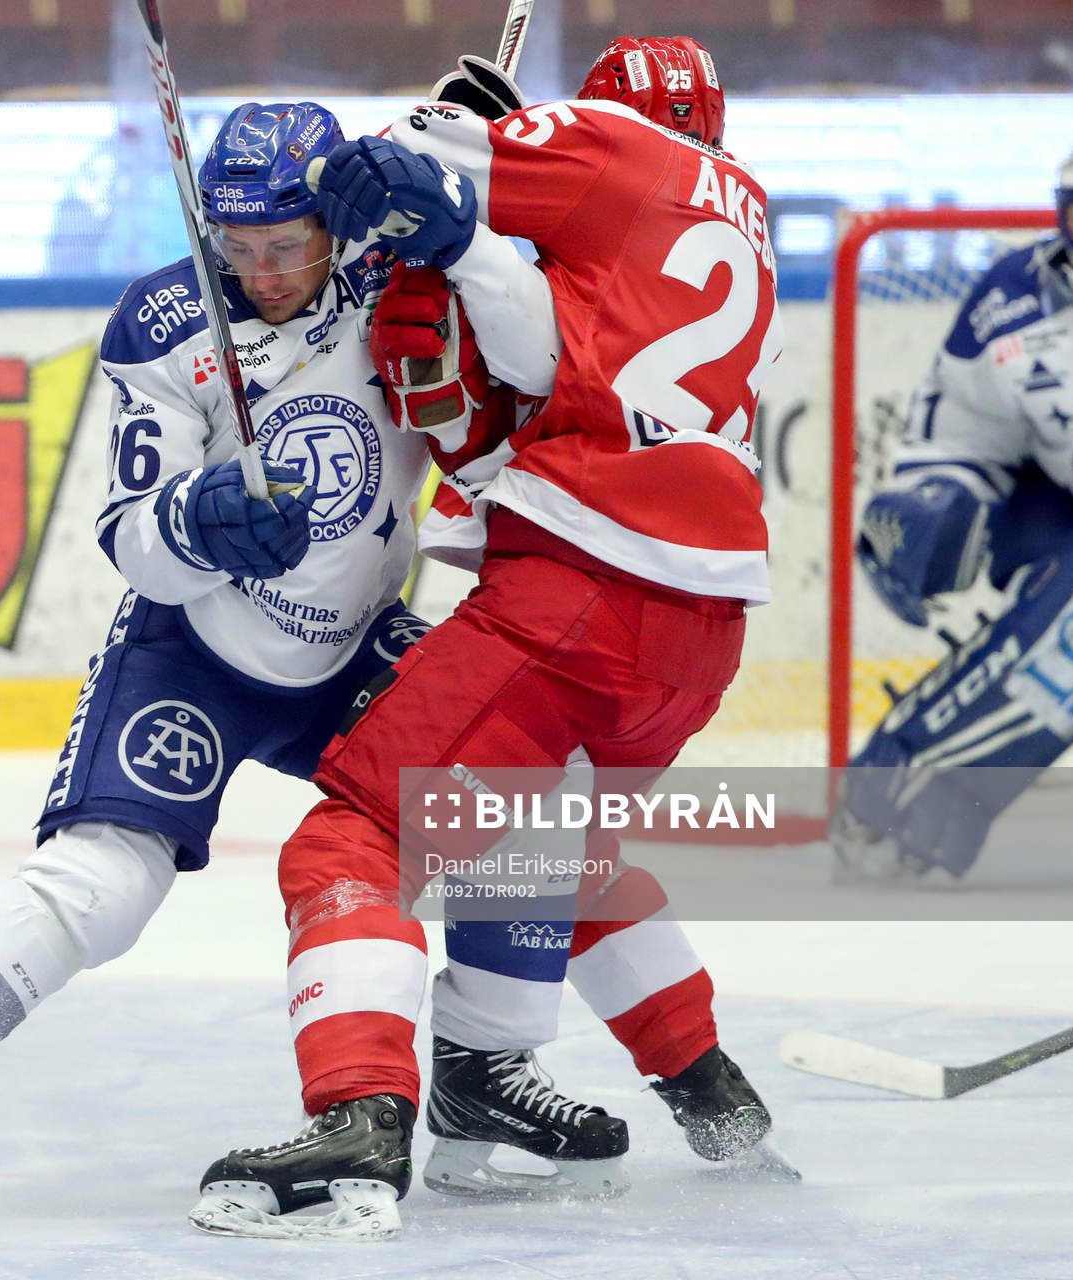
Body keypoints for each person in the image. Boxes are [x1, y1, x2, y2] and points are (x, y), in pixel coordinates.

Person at [0, 99, 609, 1216]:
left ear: (334, 229)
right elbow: (134, 542)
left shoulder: (408, 280)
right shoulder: (163, 320)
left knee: (534, 763)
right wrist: (198, 522)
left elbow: (544, 343)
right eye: (238, 246)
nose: (261, 272)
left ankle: (485, 1067)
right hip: (194, 647)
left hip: (352, 645)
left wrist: (474, 194)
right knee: (101, 882)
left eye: (288, 245)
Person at [190, 36, 791, 1239]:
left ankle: (363, 1108)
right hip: (705, 629)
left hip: (580, 590)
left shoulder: (608, 149)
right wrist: (469, 248)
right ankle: (684, 1078)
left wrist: (452, 177)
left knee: (352, 836)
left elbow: (401, 178)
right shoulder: (749, 226)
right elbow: (575, 341)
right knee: (538, 841)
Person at [834, 123, 1073, 883]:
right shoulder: (1011, 298)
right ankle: (915, 793)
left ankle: (904, 779)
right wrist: (936, 500)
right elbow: (959, 435)